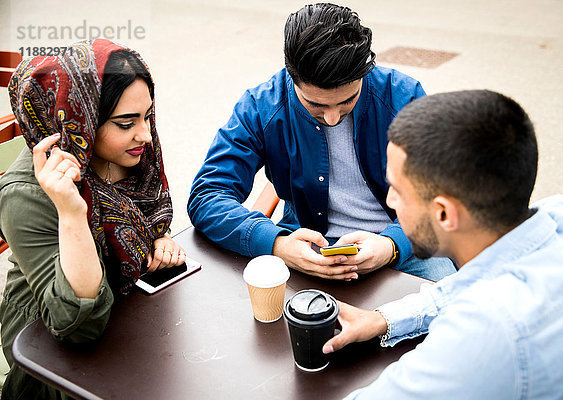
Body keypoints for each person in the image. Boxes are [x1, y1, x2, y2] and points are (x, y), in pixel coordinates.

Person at [322, 90, 563, 398]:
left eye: (397, 191)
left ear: (443, 213)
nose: (389, 200)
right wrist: (383, 319)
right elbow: (471, 283)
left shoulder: (485, 334)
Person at [187, 3, 455, 282]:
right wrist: (277, 244)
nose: (331, 117)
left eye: (347, 101)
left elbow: (442, 193)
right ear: (291, 76)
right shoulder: (260, 106)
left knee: (450, 304)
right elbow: (207, 196)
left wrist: (390, 245)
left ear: (364, 73)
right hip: (306, 247)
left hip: (404, 239)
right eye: (315, 104)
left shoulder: (403, 96)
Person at [0, 39, 185, 399]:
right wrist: (71, 213)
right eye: (125, 123)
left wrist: (157, 239)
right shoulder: (26, 196)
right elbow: (76, 325)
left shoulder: (125, 154)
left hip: (131, 323)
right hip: (52, 361)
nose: (146, 135)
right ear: (77, 120)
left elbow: (146, 215)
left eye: (147, 115)